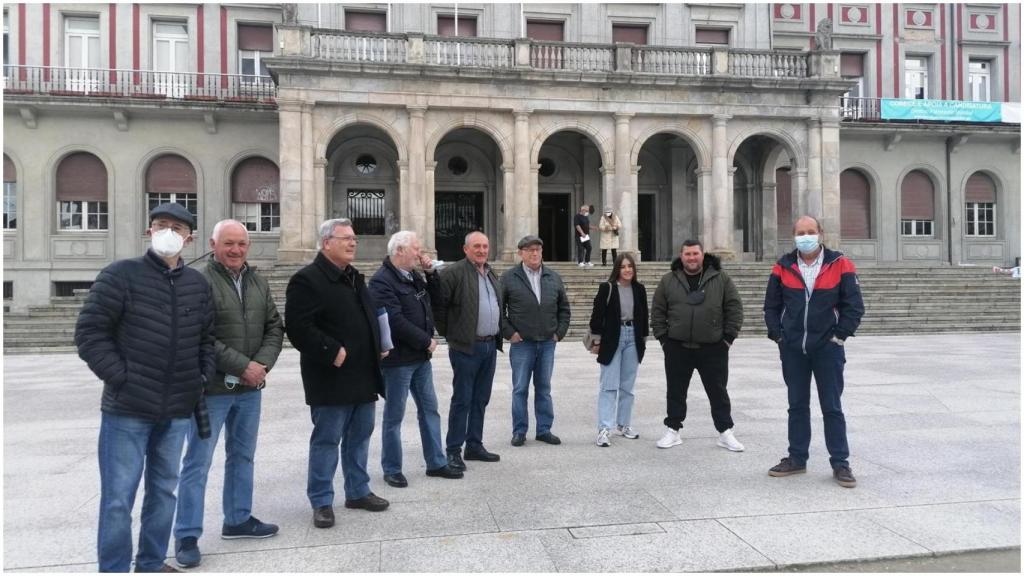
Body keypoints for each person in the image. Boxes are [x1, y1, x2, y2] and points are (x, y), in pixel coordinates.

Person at [75, 203, 215, 573]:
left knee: (164, 492)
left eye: (176, 227)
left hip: (176, 409)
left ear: (190, 238)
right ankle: (116, 568)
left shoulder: (197, 285)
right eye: (160, 225)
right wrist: (121, 377)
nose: (167, 231)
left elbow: (206, 340)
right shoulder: (121, 275)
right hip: (128, 409)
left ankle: (151, 562)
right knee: (119, 498)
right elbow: (90, 334)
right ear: (149, 231)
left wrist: (200, 378)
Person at [173, 220, 284, 569]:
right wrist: (243, 366)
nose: (236, 250)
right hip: (211, 390)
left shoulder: (257, 280)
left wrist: (261, 365)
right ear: (213, 244)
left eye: (241, 244)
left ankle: (237, 518)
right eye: (228, 244)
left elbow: (274, 327)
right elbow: (200, 335)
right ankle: (187, 534)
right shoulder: (199, 282)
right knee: (197, 462)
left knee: (243, 456)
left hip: (250, 388)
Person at [285, 218, 389, 529]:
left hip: (363, 373)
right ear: (326, 242)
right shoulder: (307, 279)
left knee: (359, 438)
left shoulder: (355, 277)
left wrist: (379, 343)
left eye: (354, 238)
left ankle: (357, 491)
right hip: (331, 376)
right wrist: (332, 350)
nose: (353, 243)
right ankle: (321, 501)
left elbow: (367, 316)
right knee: (327, 441)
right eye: (346, 238)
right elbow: (298, 328)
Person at [764, 215, 864, 488]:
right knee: (796, 406)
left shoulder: (841, 264)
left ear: (820, 233)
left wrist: (839, 335)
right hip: (793, 348)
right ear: (793, 235)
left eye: (810, 231)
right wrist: (778, 336)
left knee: (832, 407)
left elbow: (854, 305)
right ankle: (797, 458)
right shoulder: (783, 266)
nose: (805, 236)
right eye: (800, 232)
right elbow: (771, 306)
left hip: (827, 348)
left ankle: (840, 463)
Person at [368, 230, 464, 488]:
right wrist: (426, 340)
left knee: (429, 410)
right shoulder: (382, 281)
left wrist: (431, 274)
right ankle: (391, 468)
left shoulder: (413, 276)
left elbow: (437, 301)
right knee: (394, 416)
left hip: (420, 359)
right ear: (399, 250)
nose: (421, 254)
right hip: (398, 360)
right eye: (417, 249)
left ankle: (436, 462)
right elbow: (394, 320)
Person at [650, 239, 745, 452]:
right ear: (681, 256)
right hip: (677, 346)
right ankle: (673, 430)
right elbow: (657, 310)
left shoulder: (721, 279)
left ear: (703, 255)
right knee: (675, 390)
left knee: (718, 391)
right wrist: (664, 339)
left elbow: (734, 308)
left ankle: (725, 431)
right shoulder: (668, 280)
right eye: (687, 254)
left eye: (695, 254)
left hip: (713, 347)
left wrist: (727, 339)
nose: (691, 258)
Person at [433, 231, 503, 470]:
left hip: (489, 345)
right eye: (476, 246)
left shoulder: (491, 272)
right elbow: (439, 308)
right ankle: (453, 450)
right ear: (465, 249)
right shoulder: (453, 273)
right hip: (466, 347)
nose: (482, 250)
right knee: (462, 399)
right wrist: (452, 334)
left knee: (481, 399)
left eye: (485, 246)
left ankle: (474, 445)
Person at [500, 235, 571, 447]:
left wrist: (559, 333)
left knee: (544, 388)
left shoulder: (553, 277)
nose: (535, 253)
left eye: (538, 250)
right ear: (520, 253)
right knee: (520, 388)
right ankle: (519, 431)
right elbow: (498, 310)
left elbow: (564, 309)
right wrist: (510, 333)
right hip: (522, 343)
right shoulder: (509, 277)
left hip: (547, 342)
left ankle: (544, 430)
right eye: (530, 250)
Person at [588, 253, 649, 447]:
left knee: (627, 387)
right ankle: (604, 428)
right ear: (617, 269)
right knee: (609, 385)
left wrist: (643, 340)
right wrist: (596, 341)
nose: (627, 270)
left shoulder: (639, 289)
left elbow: (644, 316)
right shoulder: (607, 288)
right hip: (612, 338)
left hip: (633, 337)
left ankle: (624, 424)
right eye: (623, 267)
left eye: (630, 266)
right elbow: (596, 317)